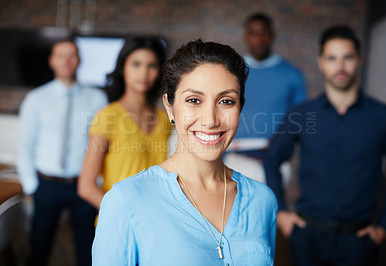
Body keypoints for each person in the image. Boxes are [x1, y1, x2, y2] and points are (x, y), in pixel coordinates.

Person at [92, 40, 278, 265]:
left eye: (226, 101)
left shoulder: (263, 200)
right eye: (193, 100)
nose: (210, 120)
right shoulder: (124, 201)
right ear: (169, 106)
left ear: (240, 108)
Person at [263, 25, 386, 266]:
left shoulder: (384, 116)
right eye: (332, 58)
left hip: (360, 242)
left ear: (359, 60)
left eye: (347, 57)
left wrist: (383, 227)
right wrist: (282, 213)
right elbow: (272, 159)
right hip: (307, 237)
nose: (340, 66)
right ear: (321, 62)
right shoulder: (302, 114)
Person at [17, 39, 108, 266]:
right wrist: (32, 187)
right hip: (46, 184)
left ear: (79, 61)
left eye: (72, 55)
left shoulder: (98, 99)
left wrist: (96, 181)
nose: (66, 61)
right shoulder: (35, 99)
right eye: (61, 55)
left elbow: (101, 146)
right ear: (52, 61)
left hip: (83, 186)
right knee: (39, 248)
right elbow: (25, 146)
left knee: (87, 250)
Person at [78, 37, 171, 210]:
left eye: (151, 65)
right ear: (123, 68)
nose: (143, 72)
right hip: (119, 222)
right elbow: (86, 187)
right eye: (136, 64)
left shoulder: (166, 119)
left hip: (155, 220)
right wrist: (124, 215)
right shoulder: (108, 117)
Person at [225, 12, 307, 184]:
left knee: (271, 210)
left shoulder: (292, 75)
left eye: (264, 33)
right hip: (234, 158)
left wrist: (281, 143)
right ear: (246, 37)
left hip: (275, 162)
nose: (259, 38)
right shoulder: (231, 73)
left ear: (272, 36)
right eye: (253, 33)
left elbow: (300, 120)